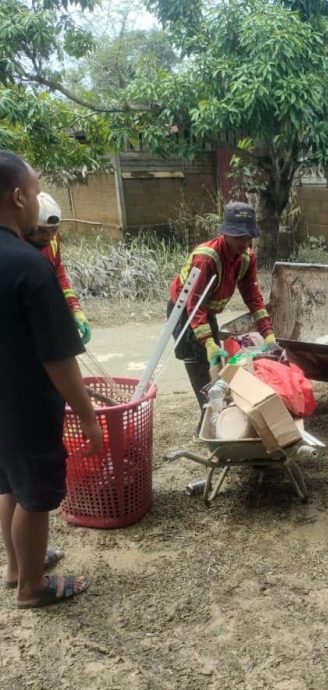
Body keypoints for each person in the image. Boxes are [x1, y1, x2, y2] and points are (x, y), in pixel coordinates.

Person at [0, 150, 103, 608]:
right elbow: (59, 358)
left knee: (8, 486)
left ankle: (17, 566)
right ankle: (31, 588)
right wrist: (88, 415)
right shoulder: (27, 265)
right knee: (37, 497)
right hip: (24, 406)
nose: (39, 198)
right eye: (36, 189)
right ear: (18, 196)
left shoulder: (30, 256)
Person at [168, 201, 276, 425]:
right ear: (226, 233)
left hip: (206, 312)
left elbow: (253, 297)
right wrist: (208, 343)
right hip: (184, 311)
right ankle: (208, 420)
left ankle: (219, 414)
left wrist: (268, 334)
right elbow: (194, 303)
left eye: (248, 237)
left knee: (216, 366)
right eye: (239, 237)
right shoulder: (206, 258)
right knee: (200, 366)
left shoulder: (247, 257)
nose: (244, 242)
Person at [22, 191, 91, 344]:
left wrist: (75, 309)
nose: (48, 236)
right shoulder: (17, 246)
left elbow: (59, 275)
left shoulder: (53, 241)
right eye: (42, 231)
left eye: (53, 230)